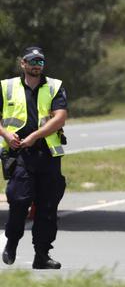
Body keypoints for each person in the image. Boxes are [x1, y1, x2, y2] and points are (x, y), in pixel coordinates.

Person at [0, 47, 67, 269]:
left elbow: (60, 118)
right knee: (19, 201)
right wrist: (6, 135)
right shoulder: (6, 86)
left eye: (40, 61)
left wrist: (35, 136)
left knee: (47, 207)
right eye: (32, 61)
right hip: (19, 153)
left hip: (47, 154)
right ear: (23, 63)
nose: (37, 65)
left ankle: (42, 255)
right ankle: (11, 243)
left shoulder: (54, 86)